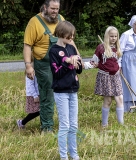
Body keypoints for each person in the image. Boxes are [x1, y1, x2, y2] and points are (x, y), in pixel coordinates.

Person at [23, 0, 81, 132]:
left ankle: (66, 124)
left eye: (57, 9)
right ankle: (47, 126)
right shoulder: (34, 22)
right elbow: (27, 45)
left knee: (66, 90)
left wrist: (78, 55)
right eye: (52, 9)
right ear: (45, 7)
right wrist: (28, 66)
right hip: (43, 64)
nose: (55, 12)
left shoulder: (61, 19)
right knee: (48, 93)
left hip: (63, 62)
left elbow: (69, 39)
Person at [49, 20, 82, 160]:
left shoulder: (71, 48)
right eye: (69, 36)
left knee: (73, 125)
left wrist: (77, 62)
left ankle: (74, 154)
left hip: (73, 90)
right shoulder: (54, 51)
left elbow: (79, 70)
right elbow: (56, 73)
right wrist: (67, 62)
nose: (71, 39)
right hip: (61, 92)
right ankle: (64, 156)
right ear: (61, 34)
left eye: (73, 36)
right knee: (65, 125)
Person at [92, 26, 124, 127]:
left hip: (115, 76)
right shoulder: (101, 48)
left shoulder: (117, 48)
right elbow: (94, 61)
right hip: (105, 77)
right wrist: (94, 64)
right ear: (107, 36)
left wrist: (119, 68)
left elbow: (118, 60)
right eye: (111, 36)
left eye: (115, 36)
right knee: (108, 100)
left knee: (120, 98)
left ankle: (121, 123)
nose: (113, 38)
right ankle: (104, 124)